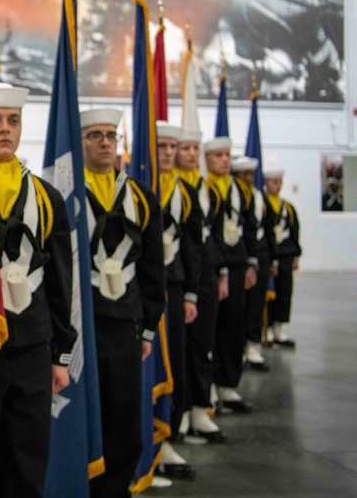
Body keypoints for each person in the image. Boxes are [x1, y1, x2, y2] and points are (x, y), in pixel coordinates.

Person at [0, 82, 76, 497]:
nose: (5, 130)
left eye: (13, 121)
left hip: (32, 346)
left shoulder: (46, 198)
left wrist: (60, 354)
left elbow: (61, 282)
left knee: (26, 459)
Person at [80, 108, 164, 498]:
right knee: (87, 414)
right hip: (85, 325)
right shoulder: (66, 196)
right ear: (79, 142)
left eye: (111, 136)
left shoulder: (141, 198)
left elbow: (152, 268)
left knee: (124, 414)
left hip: (126, 323)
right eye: (95, 135)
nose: (104, 143)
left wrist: (148, 325)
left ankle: (116, 490)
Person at [153, 122, 202, 480]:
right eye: (163, 146)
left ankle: (170, 430)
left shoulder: (185, 192)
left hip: (175, 286)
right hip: (142, 292)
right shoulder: (138, 188)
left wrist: (190, 293)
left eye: (173, 146)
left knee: (176, 361)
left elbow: (193, 246)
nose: (169, 153)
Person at [174, 129, 226, 444]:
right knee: (181, 349)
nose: (192, 154)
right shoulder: (170, 188)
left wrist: (219, 271)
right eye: (185, 148)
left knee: (203, 344)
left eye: (195, 148)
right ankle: (179, 414)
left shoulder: (204, 189)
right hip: (180, 277)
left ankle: (198, 408)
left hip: (204, 275)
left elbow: (210, 236)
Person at [204, 138, 258, 416]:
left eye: (227, 155)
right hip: (212, 267)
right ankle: (211, 385)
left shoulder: (241, 191)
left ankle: (228, 384)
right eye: (217, 156)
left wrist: (251, 263)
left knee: (234, 325)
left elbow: (249, 227)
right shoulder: (203, 189)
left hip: (236, 265)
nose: (224, 160)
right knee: (210, 328)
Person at [231, 156, 276, 371]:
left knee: (256, 303)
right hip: (237, 256)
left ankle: (253, 346)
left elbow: (268, 229)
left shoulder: (259, 198)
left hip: (260, 254)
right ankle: (237, 349)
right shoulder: (233, 195)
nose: (248, 178)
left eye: (251, 174)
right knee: (238, 306)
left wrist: (271, 257)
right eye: (244, 174)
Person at [263, 169, 301, 347]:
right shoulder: (262, 205)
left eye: (279, 181)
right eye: (273, 182)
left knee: (285, 292)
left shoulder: (288, 207)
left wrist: (295, 256)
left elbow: (294, 231)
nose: (277, 185)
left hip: (285, 255)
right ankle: (268, 327)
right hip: (269, 256)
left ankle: (279, 328)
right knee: (271, 294)